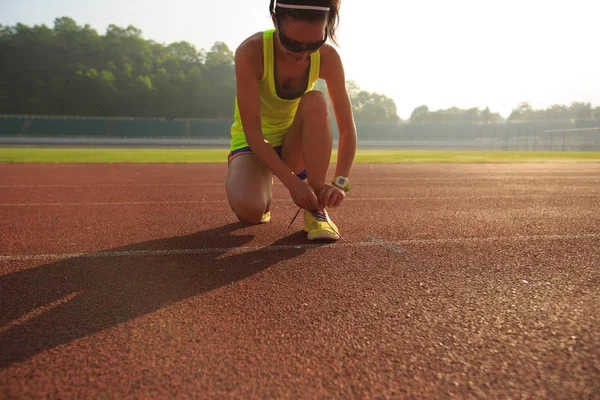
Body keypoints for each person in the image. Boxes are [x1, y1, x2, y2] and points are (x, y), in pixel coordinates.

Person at [226, 0, 357, 241]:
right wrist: (292, 183)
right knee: (250, 212)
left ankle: (317, 211)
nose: (302, 53)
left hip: (292, 145)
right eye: (292, 44)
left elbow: (347, 129)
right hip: (253, 146)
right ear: (275, 20)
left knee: (316, 100)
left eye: (314, 44)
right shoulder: (251, 52)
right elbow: (253, 133)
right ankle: (261, 186)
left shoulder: (328, 58)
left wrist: (339, 183)